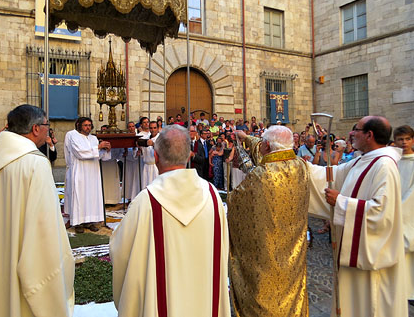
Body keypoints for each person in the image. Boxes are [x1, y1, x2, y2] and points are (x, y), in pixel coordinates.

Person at [110, 125, 230, 317]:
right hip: (205, 302)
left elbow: (121, 252)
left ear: (156, 157)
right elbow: (224, 250)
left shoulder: (145, 202)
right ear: (189, 155)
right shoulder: (212, 197)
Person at [0, 104, 75, 317]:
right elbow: (45, 232)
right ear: (36, 129)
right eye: (47, 125)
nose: (48, 130)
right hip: (23, 263)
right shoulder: (35, 163)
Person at [308, 116, 407, 317]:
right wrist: (300, 168)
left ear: (369, 135)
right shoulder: (364, 159)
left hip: (371, 262)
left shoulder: (384, 165)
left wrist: (342, 202)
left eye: (357, 130)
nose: (352, 133)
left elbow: (382, 212)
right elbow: (331, 174)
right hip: (355, 254)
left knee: (371, 307)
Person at [229, 126, 310, 317]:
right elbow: (269, 150)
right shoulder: (302, 166)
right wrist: (246, 137)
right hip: (293, 249)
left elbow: (235, 203)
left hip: (266, 255)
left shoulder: (261, 175)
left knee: (265, 295)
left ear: (266, 146)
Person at [64, 117, 112, 233]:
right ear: (79, 125)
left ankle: (90, 221)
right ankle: (78, 223)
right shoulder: (71, 135)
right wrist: (99, 147)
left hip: (93, 172)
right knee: (79, 195)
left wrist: (106, 150)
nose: (88, 127)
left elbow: (98, 155)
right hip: (79, 170)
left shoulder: (94, 138)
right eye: (85, 125)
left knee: (91, 196)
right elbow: (80, 152)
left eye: (90, 125)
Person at [394, 125, 414, 302]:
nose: (404, 143)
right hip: (394, 212)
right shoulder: (393, 162)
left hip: (409, 213)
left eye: (407, 139)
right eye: (400, 139)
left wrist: (400, 208)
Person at [124, 121, 141, 201]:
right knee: (129, 180)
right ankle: (129, 198)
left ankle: (136, 196)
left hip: (136, 162)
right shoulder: (126, 137)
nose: (131, 128)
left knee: (136, 179)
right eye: (129, 127)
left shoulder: (139, 136)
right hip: (128, 161)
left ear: (135, 127)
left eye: (132, 126)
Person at [140, 120, 160, 189]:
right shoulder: (146, 138)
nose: (153, 130)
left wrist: (153, 144)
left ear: (158, 128)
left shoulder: (161, 138)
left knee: (155, 188)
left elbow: (163, 150)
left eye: (154, 128)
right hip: (146, 167)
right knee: (146, 188)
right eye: (151, 128)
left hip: (156, 167)